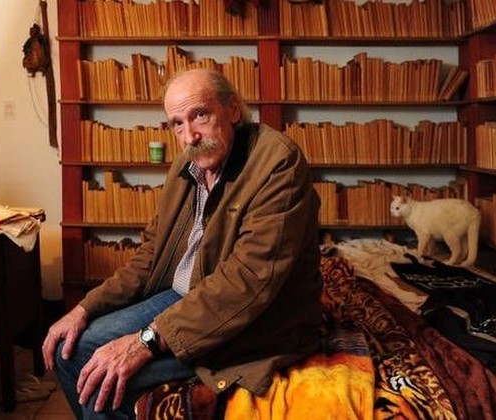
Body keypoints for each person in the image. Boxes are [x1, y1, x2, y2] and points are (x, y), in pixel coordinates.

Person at [42, 68, 323, 419]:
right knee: (70, 350)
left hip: (253, 322)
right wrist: (85, 308)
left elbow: (248, 280)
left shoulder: (278, 162)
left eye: (200, 115)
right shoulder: (187, 162)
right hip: (187, 297)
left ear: (233, 110)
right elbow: (151, 255)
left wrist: (147, 340)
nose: (189, 135)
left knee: (106, 380)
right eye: (177, 123)